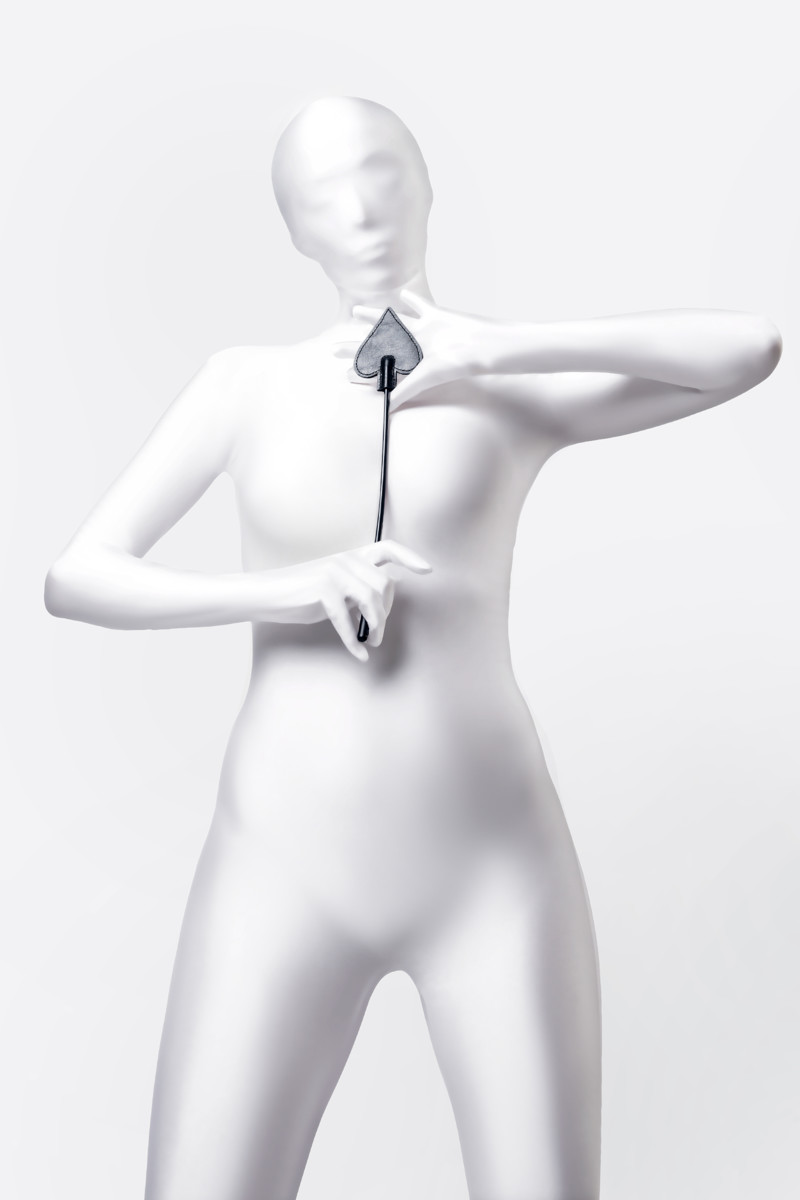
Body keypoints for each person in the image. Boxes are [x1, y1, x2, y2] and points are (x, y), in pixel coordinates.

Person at [44, 95, 783, 1200]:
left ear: (426, 182)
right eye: (320, 196)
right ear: (293, 230)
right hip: (278, 867)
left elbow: (748, 349)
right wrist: (291, 589)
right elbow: (77, 575)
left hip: (493, 870)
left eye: (380, 173)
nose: (358, 211)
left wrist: (495, 351)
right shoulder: (244, 385)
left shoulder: (506, 385)